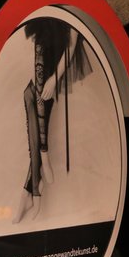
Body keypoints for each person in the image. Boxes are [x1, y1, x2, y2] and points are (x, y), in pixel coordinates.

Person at [13, 18, 92, 224]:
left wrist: (54, 78)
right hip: (39, 69)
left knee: (36, 99)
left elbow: (72, 46)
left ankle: (30, 192)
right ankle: (35, 186)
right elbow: (38, 45)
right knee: (30, 96)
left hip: (51, 72)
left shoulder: (69, 17)